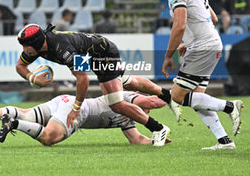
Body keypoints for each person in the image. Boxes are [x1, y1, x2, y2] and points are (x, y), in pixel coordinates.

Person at [15, 23, 173, 146]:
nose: (24, 49)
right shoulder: (35, 47)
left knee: (115, 103)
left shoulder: (63, 49)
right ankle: (167, 95)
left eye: (25, 45)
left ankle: (158, 128)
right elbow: (20, 66)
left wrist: (76, 108)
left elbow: (83, 79)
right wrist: (32, 78)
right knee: (129, 83)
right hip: (89, 55)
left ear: (36, 42)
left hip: (104, 53)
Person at [161, 0, 243, 150]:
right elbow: (213, 19)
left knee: (177, 96)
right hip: (211, 43)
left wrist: (168, 55)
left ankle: (230, 106)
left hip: (203, 47)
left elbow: (179, 26)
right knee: (199, 98)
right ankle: (224, 141)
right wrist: (188, 42)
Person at [0, 91, 173, 146]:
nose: (147, 112)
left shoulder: (128, 119)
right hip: (78, 111)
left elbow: (136, 139)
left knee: (27, 113)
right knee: (49, 138)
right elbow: (151, 102)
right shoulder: (126, 98)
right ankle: (14, 124)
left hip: (65, 101)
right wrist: (173, 97)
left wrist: (156, 140)